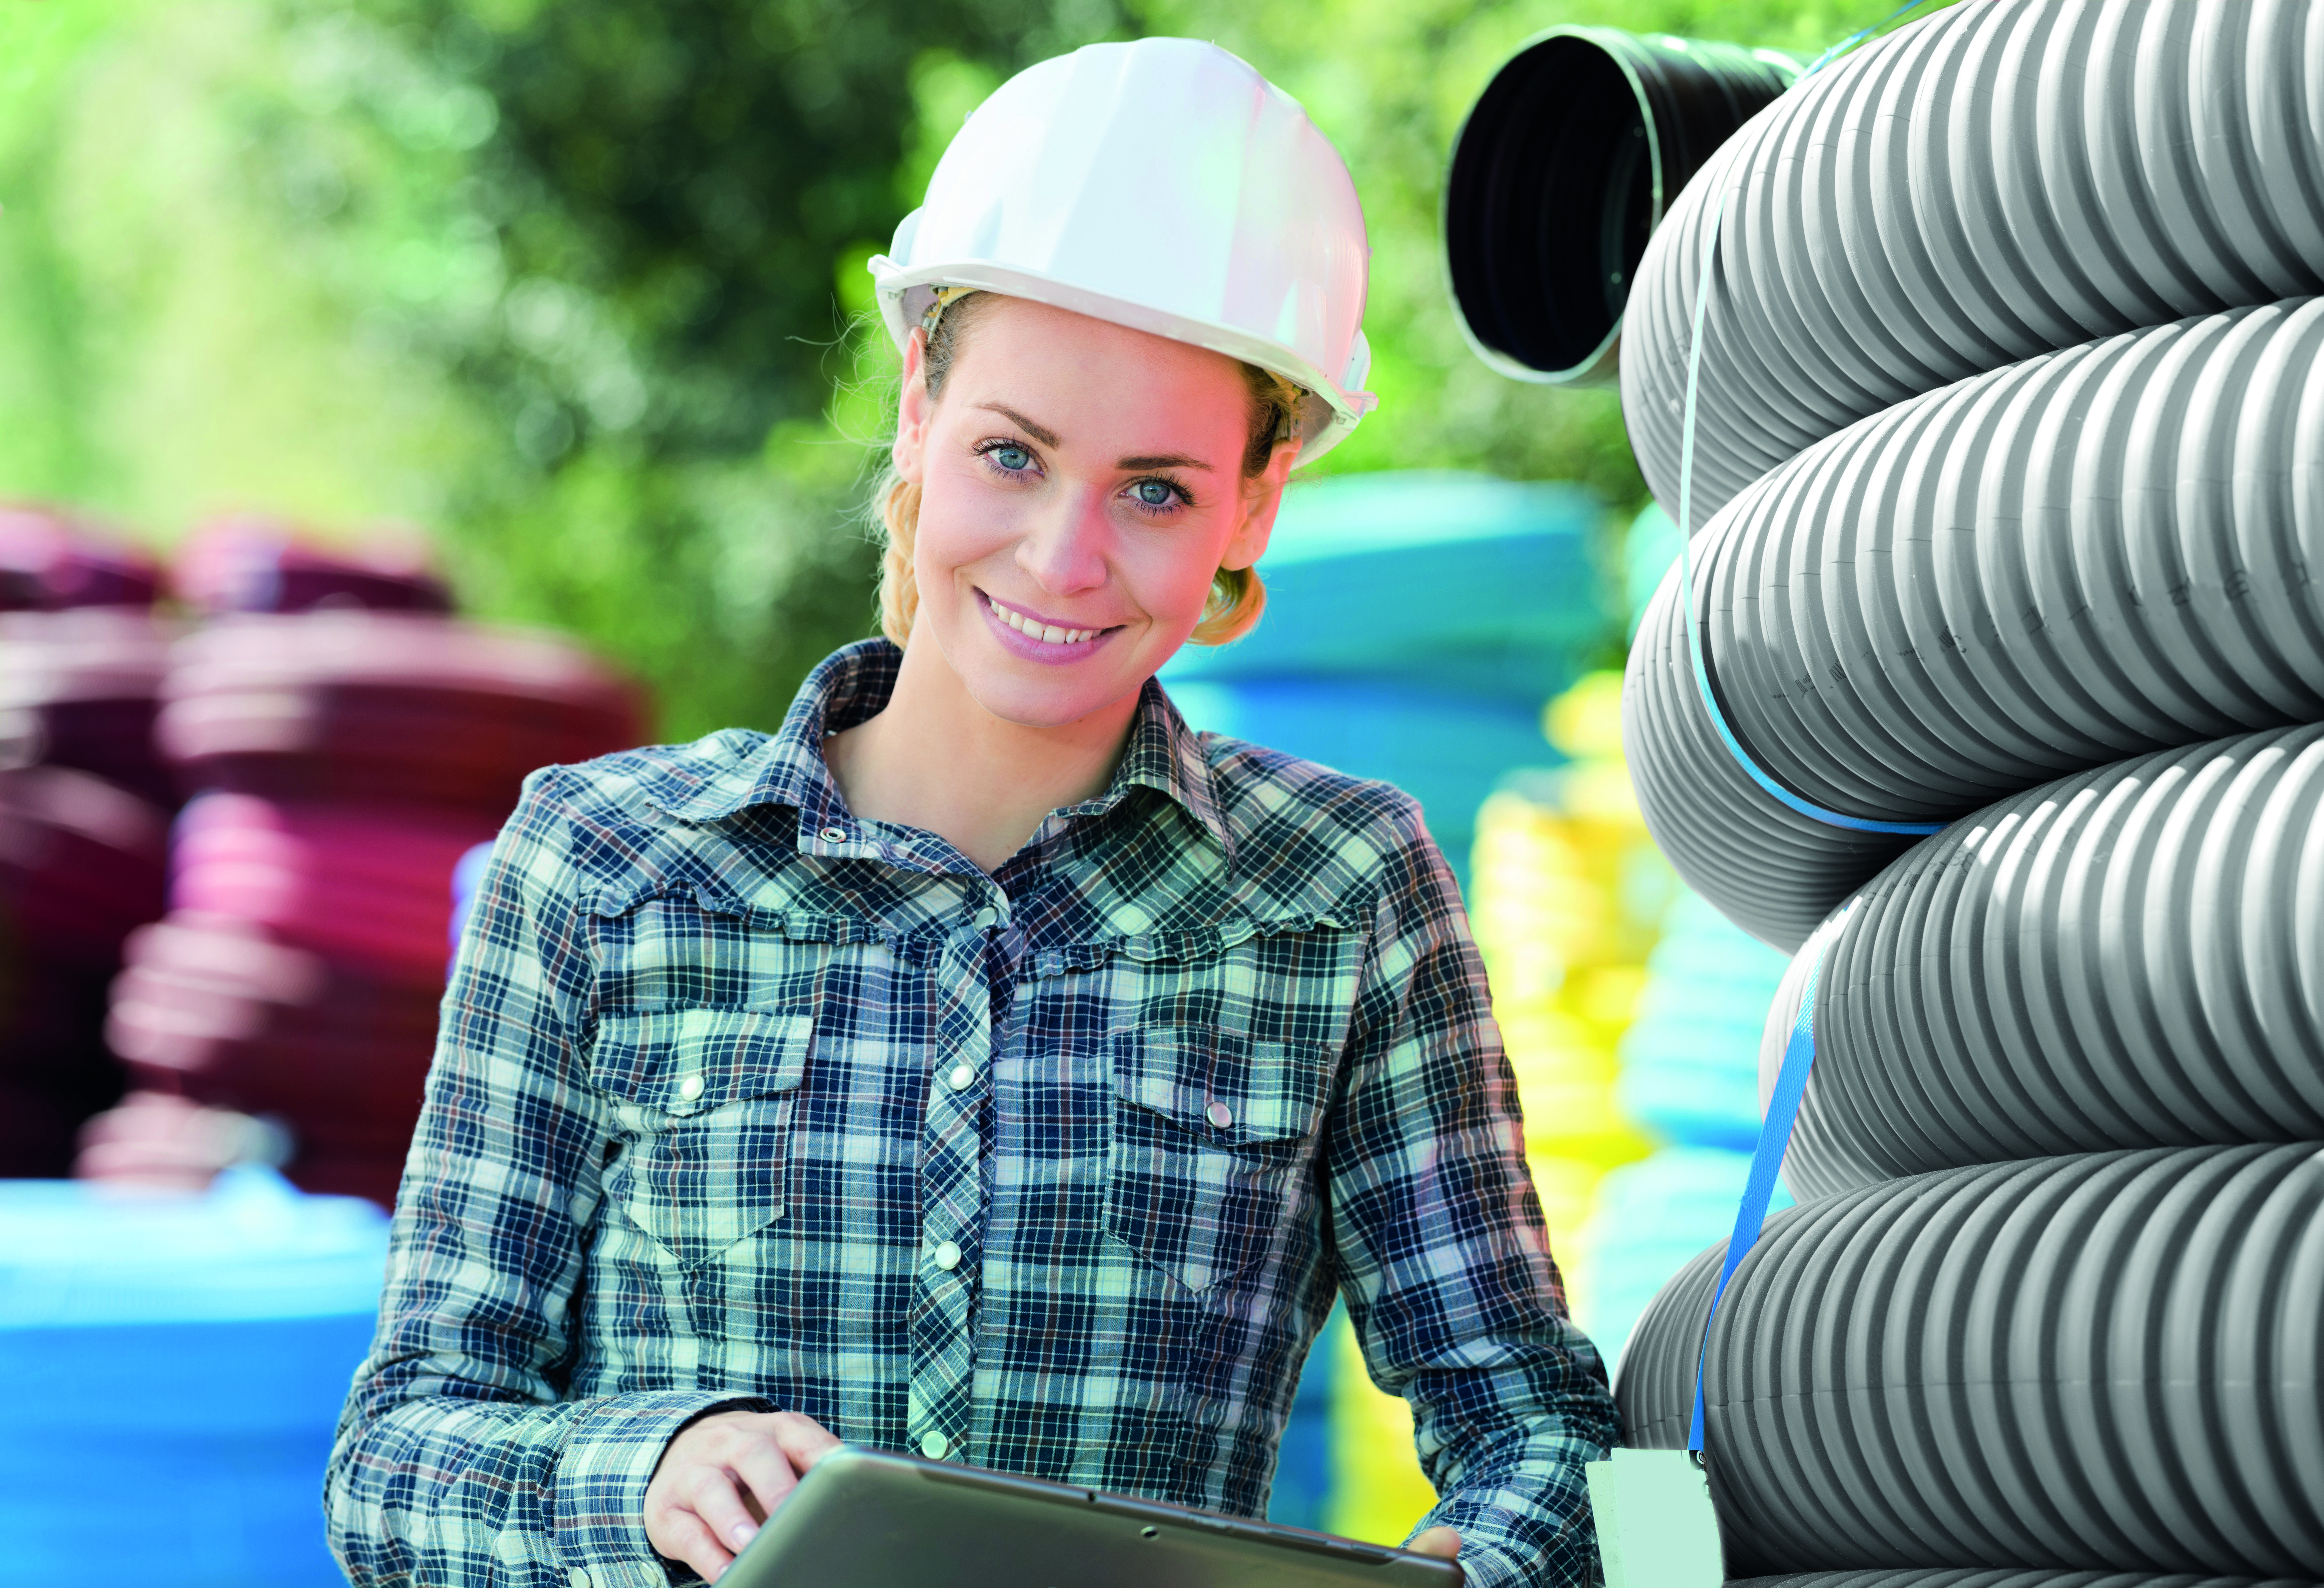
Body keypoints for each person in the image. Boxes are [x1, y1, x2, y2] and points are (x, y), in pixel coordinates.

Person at [327, 36, 1617, 1588]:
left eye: (1154, 490)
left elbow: (1538, 1428)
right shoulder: (604, 865)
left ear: (1253, 503)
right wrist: (644, 1470)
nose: (1065, 559)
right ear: (921, 412)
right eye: (1013, 454)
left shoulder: (1340, 893)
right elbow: (394, 1464)